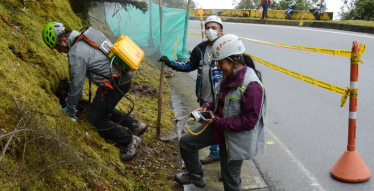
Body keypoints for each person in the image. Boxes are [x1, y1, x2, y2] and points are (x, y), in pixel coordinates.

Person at [42, 22, 148, 162]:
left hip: (114, 83)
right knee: (101, 108)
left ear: (62, 40)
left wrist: (70, 107)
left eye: (57, 47)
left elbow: (76, 84)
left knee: (95, 118)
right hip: (123, 78)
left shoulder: (76, 52)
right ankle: (135, 125)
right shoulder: (86, 35)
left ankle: (130, 140)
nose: (59, 51)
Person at [174, 34, 267, 190]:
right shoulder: (229, 75)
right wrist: (208, 106)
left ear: (235, 60)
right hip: (219, 127)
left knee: (230, 181)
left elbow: (249, 122)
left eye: (221, 62)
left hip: (234, 139)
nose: (218, 66)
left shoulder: (252, 86)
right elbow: (221, 99)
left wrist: (216, 121)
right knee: (186, 143)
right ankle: (196, 175)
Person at [159, 15, 224, 164]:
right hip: (204, 96)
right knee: (208, 124)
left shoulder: (225, 47)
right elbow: (189, 65)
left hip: (220, 97)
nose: (210, 30)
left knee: (221, 125)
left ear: (220, 31)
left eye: (214, 28)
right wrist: (170, 63)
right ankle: (215, 152)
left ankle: (224, 156)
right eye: (207, 28)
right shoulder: (200, 49)